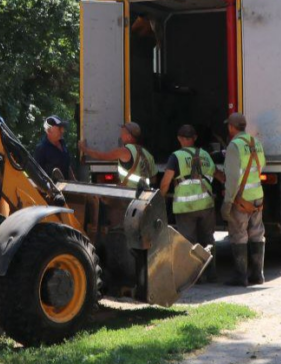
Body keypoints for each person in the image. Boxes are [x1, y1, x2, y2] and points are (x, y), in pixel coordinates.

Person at [159, 124, 223, 282]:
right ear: (194, 138)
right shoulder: (205, 155)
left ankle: (195, 277)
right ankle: (211, 273)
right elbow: (218, 175)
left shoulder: (176, 157)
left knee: (189, 242)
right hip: (206, 204)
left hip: (185, 207)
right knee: (208, 239)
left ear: (179, 139)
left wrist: (160, 197)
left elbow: (166, 182)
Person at [221, 112, 266, 287]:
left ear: (231, 127)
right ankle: (257, 275)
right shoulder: (256, 143)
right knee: (256, 233)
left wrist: (228, 203)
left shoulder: (234, 146)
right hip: (257, 197)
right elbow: (262, 165)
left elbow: (232, 179)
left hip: (241, 199)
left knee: (239, 235)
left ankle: (240, 276)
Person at [80, 121, 156, 189]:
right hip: (145, 195)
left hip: (130, 194)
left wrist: (84, 149)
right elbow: (153, 179)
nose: (120, 136)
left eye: (123, 133)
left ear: (129, 137)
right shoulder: (147, 154)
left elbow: (102, 156)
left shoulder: (124, 151)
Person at [33, 115, 75, 183]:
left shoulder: (62, 143)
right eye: (59, 128)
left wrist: (74, 182)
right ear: (49, 130)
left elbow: (67, 165)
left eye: (62, 128)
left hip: (67, 188)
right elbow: (36, 174)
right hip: (52, 191)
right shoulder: (41, 149)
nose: (62, 131)